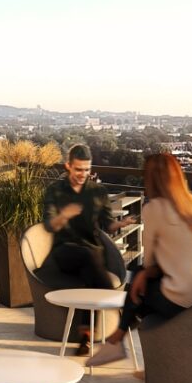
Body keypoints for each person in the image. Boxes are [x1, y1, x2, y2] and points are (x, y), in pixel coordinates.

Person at [87, 153, 192, 367]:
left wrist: (145, 273)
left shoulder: (154, 209)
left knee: (138, 281)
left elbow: (149, 262)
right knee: (143, 280)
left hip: (187, 301)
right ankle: (129, 347)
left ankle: (116, 341)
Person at [43, 144, 137, 352]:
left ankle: (85, 339)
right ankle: (128, 311)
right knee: (91, 257)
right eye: (78, 169)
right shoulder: (55, 191)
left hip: (91, 254)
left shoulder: (97, 192)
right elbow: (49, 225)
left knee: (90, 276)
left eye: (87, 170)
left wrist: (120, 224)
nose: (83, 174)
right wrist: (64, 215)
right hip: (64, 251)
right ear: (68, 166)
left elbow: (108, 225)